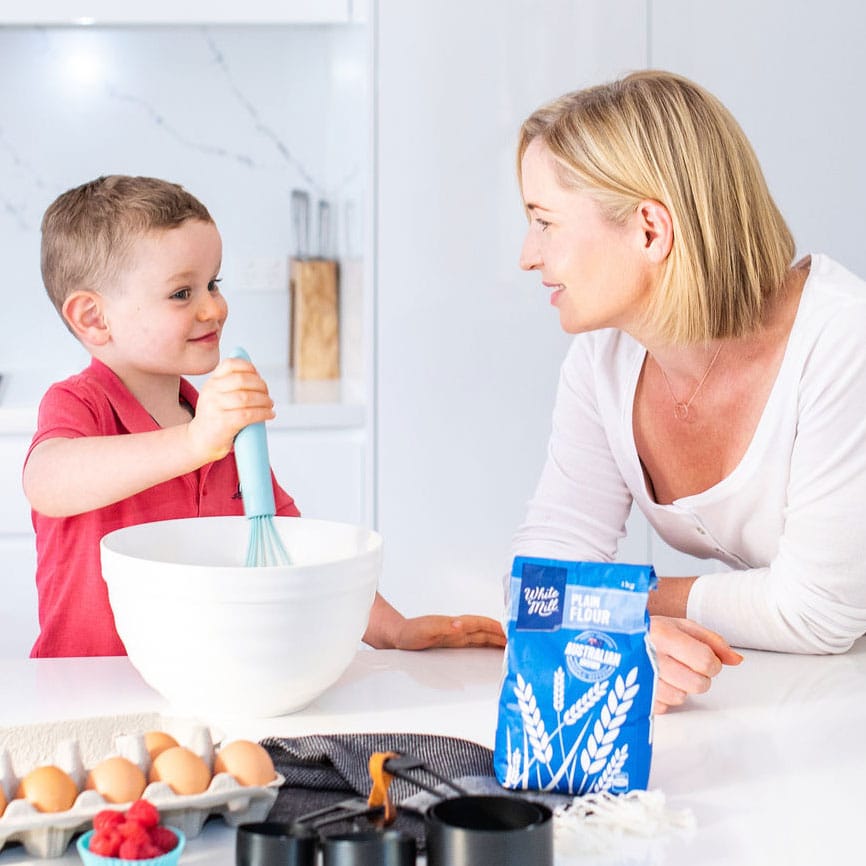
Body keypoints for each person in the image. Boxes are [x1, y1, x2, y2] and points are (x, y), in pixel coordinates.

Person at [23, 174, 506, 658]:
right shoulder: (82, 404)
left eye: (213, 282)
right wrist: (195, 441)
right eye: (181, 293)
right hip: (82, 693)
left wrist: (392, 631)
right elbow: (48, 481)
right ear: (93, 318)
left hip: (201, 688)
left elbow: (290, 545)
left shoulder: (223, 427)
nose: (214, 307)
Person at [511, 69, 866, 713]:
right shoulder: (602, 357)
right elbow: (541, 574)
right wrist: (612, 629)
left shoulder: (843, 341)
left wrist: (616, 604)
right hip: (813, 694)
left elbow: (818, 611)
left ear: (650, 229)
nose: (528, 255)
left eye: (545, 223)